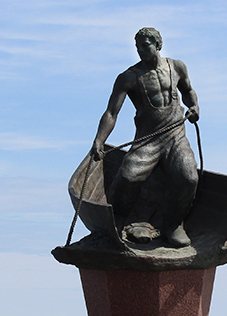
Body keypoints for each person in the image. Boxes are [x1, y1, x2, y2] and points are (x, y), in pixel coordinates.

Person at [90, 27, 200, 247]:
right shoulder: (128, 77)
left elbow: (188, 91)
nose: (140, 50)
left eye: (145, 45)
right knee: (128, 176)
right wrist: (99, 140)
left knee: (189, 177)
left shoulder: (177, 67)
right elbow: (112, 112)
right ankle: (118, 222)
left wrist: (195, 106)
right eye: (137, 46)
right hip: (147, 140)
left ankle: (173, 225)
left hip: (175, 135)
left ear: (158, 45)